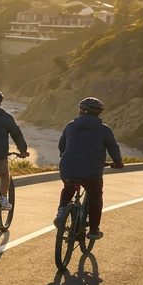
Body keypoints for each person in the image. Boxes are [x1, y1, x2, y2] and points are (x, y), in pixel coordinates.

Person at [55, 96, 123, 240]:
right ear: (98, 114)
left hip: (67, 168)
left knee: (69, 187)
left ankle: (62, 211)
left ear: (81, 111)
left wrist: (65, 155)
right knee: (95, 195)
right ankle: (93, 230)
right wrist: (118, 162)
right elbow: (113, 148)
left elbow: (61, 146)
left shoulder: (70, 126)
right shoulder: (104, 130)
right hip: (91, 172)